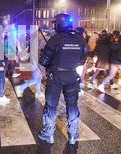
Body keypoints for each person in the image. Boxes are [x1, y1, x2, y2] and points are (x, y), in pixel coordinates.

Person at [37, 14, 87, 145]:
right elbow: (82, 60)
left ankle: (48, 134)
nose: (54, 25)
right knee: (72, 105)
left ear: (59, 24)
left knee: (51, 105)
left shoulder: (56, 39)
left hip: (56, 77)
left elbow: (43, 60)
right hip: (72, 76)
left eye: (55, 23)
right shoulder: (80, 39)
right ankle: (73, 135)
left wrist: (49, 62)